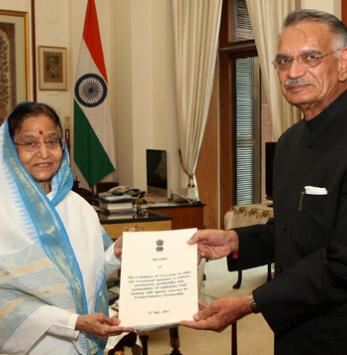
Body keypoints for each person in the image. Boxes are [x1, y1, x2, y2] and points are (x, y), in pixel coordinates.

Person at [180, 9, 347, 355]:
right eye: (283, 61)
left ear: (344, 63)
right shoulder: (288, 143)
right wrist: (234, 240)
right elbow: (291, 229)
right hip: (292, 332)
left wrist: (251, 302)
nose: (293, 72)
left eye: (310, 57)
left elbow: (341, 263)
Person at [0, 102, 132, 354]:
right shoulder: (3, 214)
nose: (43, 153)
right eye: (29, 143)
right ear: (9, 149)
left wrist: (115, 254)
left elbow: (86, 278)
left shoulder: (79, 207)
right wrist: (73, 322)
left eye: (52, 141)